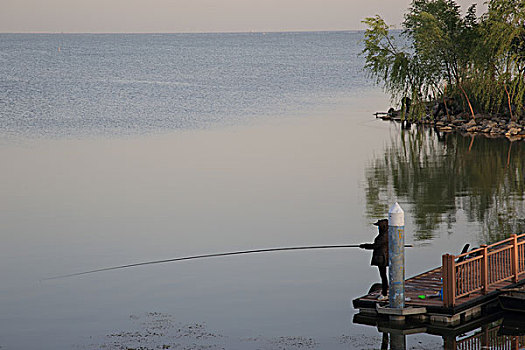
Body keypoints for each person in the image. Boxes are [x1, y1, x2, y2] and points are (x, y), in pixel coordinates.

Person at [360, 219, 389, 300]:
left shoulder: (383, 236)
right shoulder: (386, 234)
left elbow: (375, 246)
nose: (378, 228)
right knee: (383, 275)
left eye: (379, 227)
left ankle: (385, 293)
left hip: (382, 258)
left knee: (383, 276)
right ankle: (385, 291)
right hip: (383, 257)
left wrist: (364, 246)